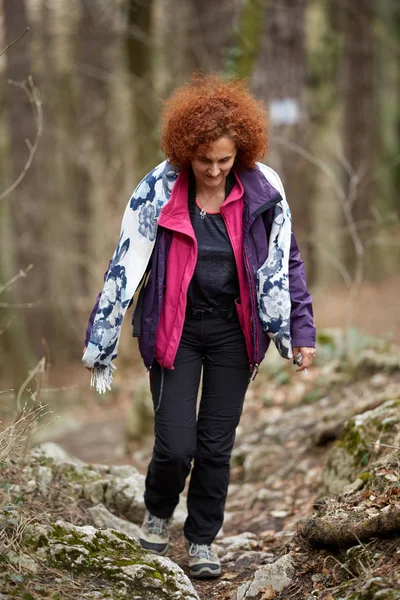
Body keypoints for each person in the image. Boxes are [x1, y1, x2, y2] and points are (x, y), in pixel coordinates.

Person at [82, 74, 316, 579]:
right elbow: (123, 265)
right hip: (176, 330)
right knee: (175, 445)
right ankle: (158, 512)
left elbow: (286, 261)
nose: (213, 171)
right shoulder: (158, 191)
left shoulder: (264, 190)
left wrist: (301, 329)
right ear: (185, 150)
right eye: (204, 159)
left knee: (215, 444)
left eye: (224, 161)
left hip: (235, 332)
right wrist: (101, 339)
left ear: (241, 155)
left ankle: (204, 540)